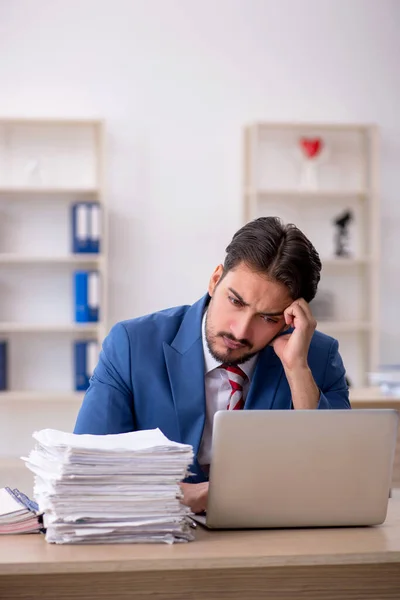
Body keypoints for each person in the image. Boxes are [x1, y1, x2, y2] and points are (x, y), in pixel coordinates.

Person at [74, 216, 350, 514]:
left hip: (272, 539)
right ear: (215, 279)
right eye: (236, 302)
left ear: (289, 320)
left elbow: (341, 478)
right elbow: (88, 468)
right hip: (157, 538)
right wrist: (173, 494)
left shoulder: (317, 358)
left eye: (268, 318)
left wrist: (298, 371)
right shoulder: (132, 344)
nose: (241, 331)